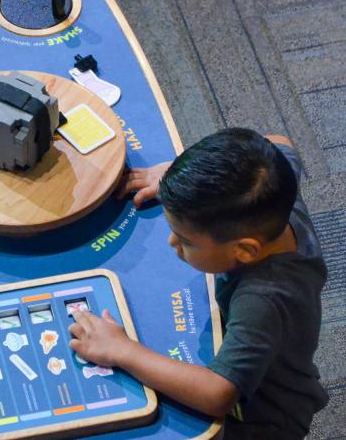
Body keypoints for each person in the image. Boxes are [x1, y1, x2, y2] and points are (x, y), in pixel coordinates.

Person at [69, 128, 328, 439]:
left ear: (244, 250)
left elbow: (217, 394)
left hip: (260, 421)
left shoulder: (262, 301)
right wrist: (183, 179)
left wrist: (122, 350)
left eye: (186, 241)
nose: (171, 242)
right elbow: (278, 142)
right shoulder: (275, 195)